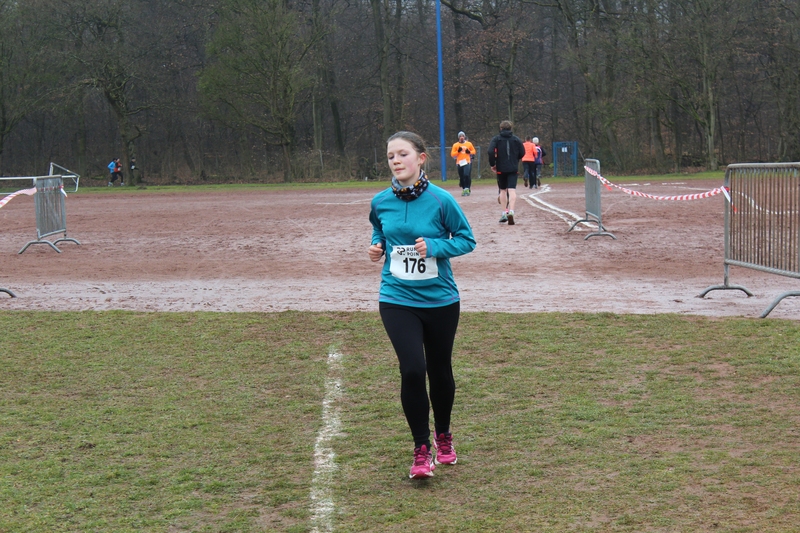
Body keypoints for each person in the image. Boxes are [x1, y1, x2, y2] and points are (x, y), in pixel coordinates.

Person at [368, 131, 477, 479]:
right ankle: (421, 449)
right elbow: (379, 230)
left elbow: (467, 240)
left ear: (421, 158)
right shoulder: (380, 201)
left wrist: (435, 247)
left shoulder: (442, 200)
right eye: (391, 156)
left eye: (403, 154)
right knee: (412, 369)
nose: (396, 161)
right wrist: (376, 246)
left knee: (439, 370)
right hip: (397, 298)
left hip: (440, 299)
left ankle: (443, 435)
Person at [487, 120, 524, 225]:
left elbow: (490, 151)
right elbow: (522, 152)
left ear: (501, 128)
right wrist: (515, 159)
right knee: (512, 190)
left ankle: (504, 212)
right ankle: (511, 211)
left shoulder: (496, 139)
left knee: (502, 190)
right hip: (513, 167)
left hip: (501, 168)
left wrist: (493, 163)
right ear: (511, 128)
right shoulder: (516, 139)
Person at [450, 131, 475, 196]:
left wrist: (469, 152)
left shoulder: (469, 144)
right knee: (461, 177)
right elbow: (452, 154)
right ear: (458, 137)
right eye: (460, 136)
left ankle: (467, 188)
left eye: (463, 136)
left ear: (464, 137)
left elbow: (474, 151)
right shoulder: (455, 145)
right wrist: (458, 151)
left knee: (466, 175)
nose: (461, 137)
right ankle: (464, 189)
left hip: (467, 162)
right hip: (460, 163)